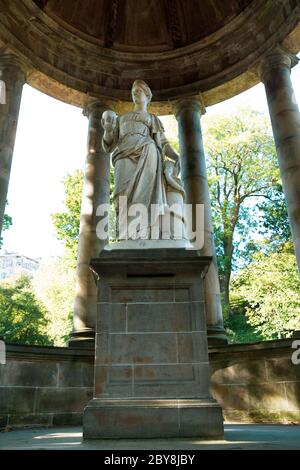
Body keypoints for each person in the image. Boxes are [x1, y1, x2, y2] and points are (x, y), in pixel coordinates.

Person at [101, 80, 179, 239]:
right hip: (123, 155)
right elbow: (109, 145)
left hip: (148, 154)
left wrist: (176, 156)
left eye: (138, 91)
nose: (135, 93)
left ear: (148, 96)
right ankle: (125, 234)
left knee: (147, 193)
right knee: (121, 194)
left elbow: (163, 144)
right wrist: (108, 130)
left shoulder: (152, 119)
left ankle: (147, 232)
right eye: (133, 91)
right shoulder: (121, 118)